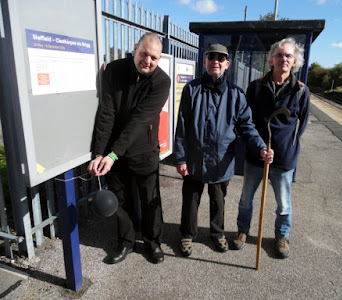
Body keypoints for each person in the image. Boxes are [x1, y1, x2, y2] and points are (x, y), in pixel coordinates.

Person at [174, 43, 274, 257]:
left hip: (221, 160)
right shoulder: (191, 89)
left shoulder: (236, 95)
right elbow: (182, 126)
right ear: (205, 61)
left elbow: (247, 127)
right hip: (194, 158)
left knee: (218, 200)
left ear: (227, 64)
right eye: (212, 57)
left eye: (221, 58)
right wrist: (181, 158)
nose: (216, 62)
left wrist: (261, 148)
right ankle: (187, 234)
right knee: (190, 199)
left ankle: (217, 233)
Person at [88, 32, 171, 264]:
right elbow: (106, 112)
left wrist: (113, 153)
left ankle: (153, 242)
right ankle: (126, 241)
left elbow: (140, 121)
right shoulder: (114, 71)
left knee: (150, 200)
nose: (148, 61)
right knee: (121, 200)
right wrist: (100, 153)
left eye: (154, 58)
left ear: (159, 59)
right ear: (135, 48)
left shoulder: (162, 82)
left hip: (144, 151)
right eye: (144, 54)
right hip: (114, 153)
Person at [232, 37, 310, 259]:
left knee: (284, 204)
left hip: (284, 159)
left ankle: (281, 236)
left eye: (288, 55)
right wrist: (260, 148)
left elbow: (300, 125)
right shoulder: (256, 86)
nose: (283, 59)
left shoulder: (301, 91)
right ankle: (242, 230)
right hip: (256, 156)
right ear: (271, 60)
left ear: (294, 61)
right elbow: (245, 120)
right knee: (246, 199)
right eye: (279, 55)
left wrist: (283, 146)